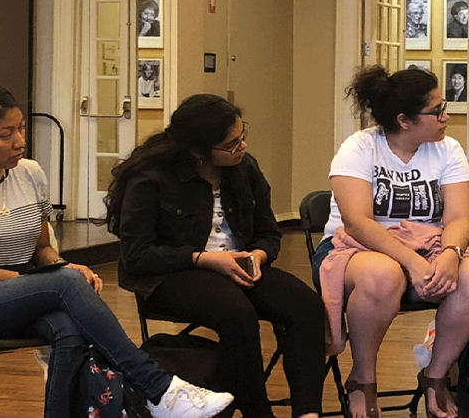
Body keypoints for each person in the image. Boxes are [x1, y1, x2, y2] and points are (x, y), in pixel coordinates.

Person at [0, 81, 233, 418]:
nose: (20, 141)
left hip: (19, 295)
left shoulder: (29, 173)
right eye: (6, 135)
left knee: (69, 327)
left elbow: (42, 248)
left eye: (21, 127)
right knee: (63, 283)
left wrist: (58, 266)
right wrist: (47, 281)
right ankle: (160, 389)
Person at [106, 94, 326, 418]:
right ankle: (257, 412)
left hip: (236, 265)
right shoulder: (152, 177)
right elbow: (137, 256)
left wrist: (259, 255)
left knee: (305, 305)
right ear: (198, 152)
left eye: (242, 137)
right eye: (231, 144)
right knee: (236, 314)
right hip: (171, 276)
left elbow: (269, 232)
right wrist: (202, 259)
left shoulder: (244, 168)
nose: (242, 147)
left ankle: (308, 412)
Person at [315, 65, 469, 418]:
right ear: (405, 120)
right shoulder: (359, 147)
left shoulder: (448, 150)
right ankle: (362, 379)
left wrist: (451, 254)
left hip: (428, 246)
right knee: (384, 274)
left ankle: (436, 375)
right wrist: (412, 263)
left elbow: (458, 219)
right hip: (355, 249)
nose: (446, 116)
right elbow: (357, 223)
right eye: (437, 111)